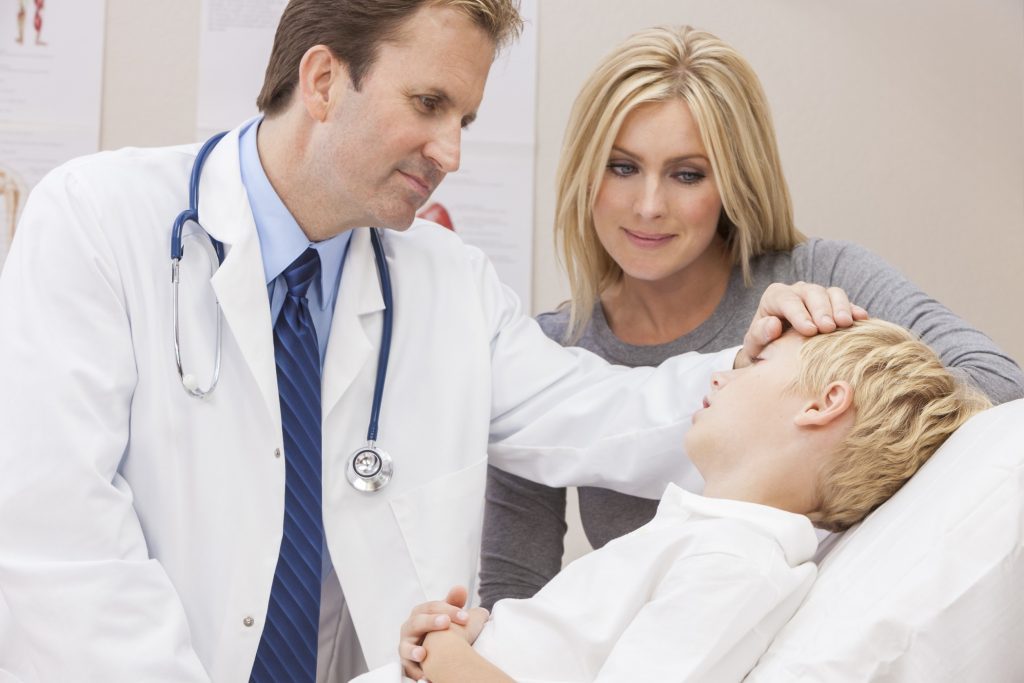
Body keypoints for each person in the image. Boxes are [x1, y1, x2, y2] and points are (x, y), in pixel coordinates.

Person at [0, 3, 857, 682]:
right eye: (429, 104)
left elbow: (601, 416)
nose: (450, 151)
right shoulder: (99, 221)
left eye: (467, 119)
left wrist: (759, 361)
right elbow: (59, 540)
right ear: (325, 78)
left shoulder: (446, 280)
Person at [480, 25, 1024, 611]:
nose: (648, 206)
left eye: (687, 174)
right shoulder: (550, 352)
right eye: (621, 167)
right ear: (585, 172)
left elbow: (1001, 389)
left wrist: (829, 408)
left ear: (733, 182)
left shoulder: (820, 281)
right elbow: (515, 585)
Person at [382, 320, 990, 682]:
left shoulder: (735, 567)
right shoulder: (703, 537)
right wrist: (486, 633)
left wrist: (446, 657)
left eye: (758, 364)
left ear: (823, 403)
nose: (720, 376)